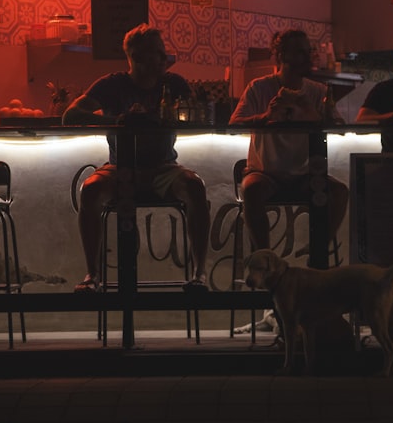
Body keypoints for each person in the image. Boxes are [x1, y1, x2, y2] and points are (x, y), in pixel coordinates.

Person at [62, 23, 210, 292]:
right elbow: (70, 116)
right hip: (121, 166)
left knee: (195, 186)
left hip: (164, 167)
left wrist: (168, 118)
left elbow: (196, 114)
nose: (165, 59)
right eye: (158, 53)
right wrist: (118, 120)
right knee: (91, 189)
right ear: (137, 58)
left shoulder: (173, 84)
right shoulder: (112, 84)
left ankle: (200, 275)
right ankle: (91, 276)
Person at [229, 29, 350, 331]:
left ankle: (316, 263)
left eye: (307, 51)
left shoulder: (317, 91)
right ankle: (267, 262)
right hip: (265, 170)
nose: (305, 58)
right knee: (252, 189)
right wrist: (265, 118)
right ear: (280, 56)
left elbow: (339, 127)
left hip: (304, 173)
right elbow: (232, 125)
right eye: (298, 52)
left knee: (339, 193)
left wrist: (315, 117)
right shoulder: (260, 88)